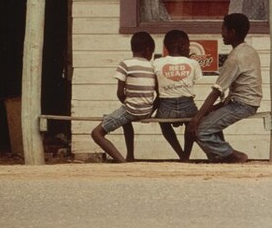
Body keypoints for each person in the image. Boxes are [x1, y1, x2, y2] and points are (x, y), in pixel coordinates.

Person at [186, 13, 262, 163]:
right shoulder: (249, 50)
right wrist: (214, 108)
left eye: (223, 29)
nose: (221, 34)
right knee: (208, 120)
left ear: (232, 32)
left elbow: (216, 91)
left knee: (201, 131)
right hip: (243, 101)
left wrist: (195, 119)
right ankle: (218, 157)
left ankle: (233, 156)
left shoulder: (235, 58)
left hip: (242, 104)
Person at [90, 31, 157, 163]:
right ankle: (130, 156)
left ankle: (122, 162)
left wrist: (128, 105)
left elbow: (120, 93)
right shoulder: (153, 67)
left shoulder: (125, 64)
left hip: (131, 110)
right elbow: (157, 92)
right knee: (126, 121)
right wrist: (149, 109)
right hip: (147, 111)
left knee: (96, 134)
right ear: (148, 50)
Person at [153, 29, 202, 161]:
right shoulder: (193, 63)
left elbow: (156, 88)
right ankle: (186, 154)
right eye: (188, 45)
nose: (189, 49)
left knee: (163, 123)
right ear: (181, 45)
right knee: (191, 124)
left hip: (165, 107)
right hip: (188, 105)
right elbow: (194, 82)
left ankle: (180, 153)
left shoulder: (157, 63)